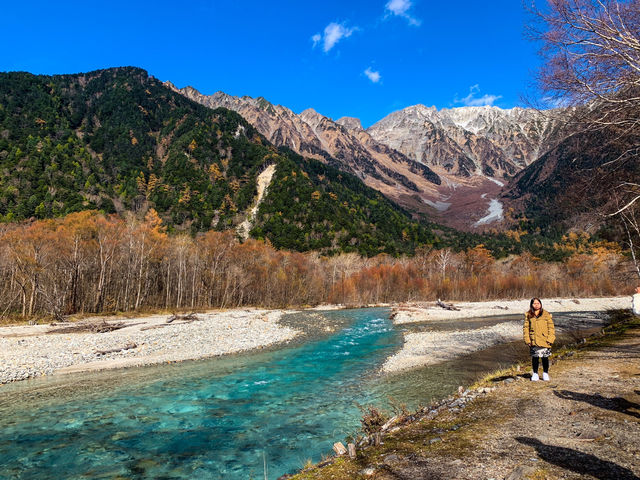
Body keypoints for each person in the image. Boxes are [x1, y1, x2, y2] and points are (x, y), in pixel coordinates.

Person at [523, 297, 555, 381]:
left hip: (545, 339)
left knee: (545, 358)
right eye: (534, 303)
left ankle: (545, 373)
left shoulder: (546, 314)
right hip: (533, 340)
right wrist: (527, 340)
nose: (536, 305)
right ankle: (535, 374)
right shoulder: (529, 315)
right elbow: (526, 328)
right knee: (535, 358)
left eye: (538, 303)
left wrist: (550, 339)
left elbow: (551, 327)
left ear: (540, 304)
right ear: (531, 305)